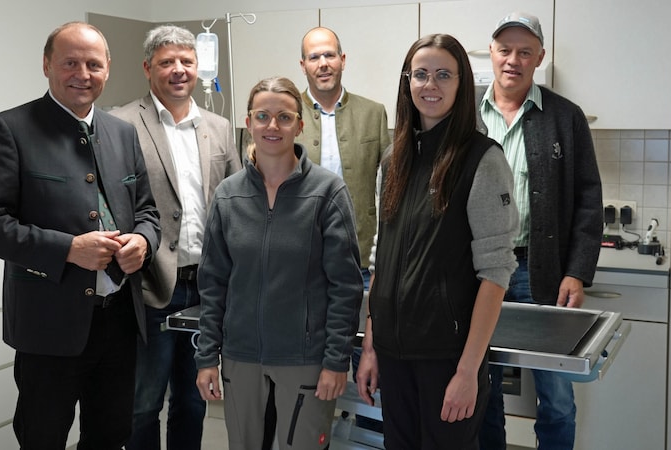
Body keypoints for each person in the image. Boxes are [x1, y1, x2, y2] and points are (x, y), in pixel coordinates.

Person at [0, 22, 161, 449]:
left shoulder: (122, 132)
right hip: (49, 324)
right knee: (43, 436)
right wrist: (68, 249)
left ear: (108, 68)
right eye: (70, 62)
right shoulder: (10, 128)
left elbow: (147, 211)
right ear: (47, 65)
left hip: (120, 320)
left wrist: (144, 242)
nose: (82, 74)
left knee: (111, 435)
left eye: (93, 64)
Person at [355, 34, 520, 449]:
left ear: (461, 85)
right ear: (407, 82)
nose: (431, 85)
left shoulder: (483, 160)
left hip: (446, 358)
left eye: (443, 75)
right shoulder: (394, 161)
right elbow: (381, 261)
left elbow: (495, 274)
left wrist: (468, 371)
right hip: (393, 354)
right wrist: (371, 348)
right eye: (421, 74)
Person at [195, 76, 364, 450]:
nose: (273, 126)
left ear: (300, 125)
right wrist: (207, 356)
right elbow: (213, 284)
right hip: (241, 357)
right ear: (249, 122)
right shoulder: (228, 196)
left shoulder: (327, 192)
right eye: (263, 116)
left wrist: (336, 360)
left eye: (285, 117)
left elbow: (346, 286)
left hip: (304, 359)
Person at [110, 25, 242, 450]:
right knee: (143, 402)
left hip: (206, 285)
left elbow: (237, 201)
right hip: (149, 284)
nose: (178, 70)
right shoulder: (121, 122)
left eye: (186, 61)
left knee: (194, 397)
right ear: (148, 68)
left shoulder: (219, 127)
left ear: (197, 67)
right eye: (167, 62)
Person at [476, 12, 603, 450]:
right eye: (505, 49)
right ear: (490, 53)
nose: (513, 60)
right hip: (476, 275)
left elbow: (589, 197)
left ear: (540, 58)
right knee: (481, 388)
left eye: (525, 51)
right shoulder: (463, 115)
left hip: (541, 272)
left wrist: (578, 271)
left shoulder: (565, 118)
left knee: (557, 397)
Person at [299, 25, 391, 435]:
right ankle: (311, 438)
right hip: (302, 268)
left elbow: (391, 189)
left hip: (361, 264)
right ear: (303, 65)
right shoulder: (287, 113)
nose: (323, 64)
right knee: (310, 368)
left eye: (330, 55)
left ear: (343, 59)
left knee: (368, 368)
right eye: (314, 57)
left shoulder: (374, 113)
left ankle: (369, 437)